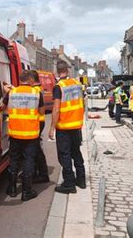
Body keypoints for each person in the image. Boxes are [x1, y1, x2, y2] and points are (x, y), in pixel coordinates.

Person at [2, 70, 44, 201]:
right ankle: (27, 191)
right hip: (31, 134)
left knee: (14, 160)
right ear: (31, 80)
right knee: (28, 161)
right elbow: (41, 111)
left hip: (15, 133)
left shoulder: (12, 92)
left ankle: (12, 188)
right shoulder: (37, 93)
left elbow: (3, 108)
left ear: (20, 79)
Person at [49, 61, 86, 194]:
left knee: (65, 155)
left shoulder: (59, 87)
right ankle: (81, 179)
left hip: (64, 127)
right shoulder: (77, 84)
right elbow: (83, 102)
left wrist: (52, 127)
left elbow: (56, 109)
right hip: (76, 125)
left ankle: (69, 183)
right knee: (76, 152)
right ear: (68, 70)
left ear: (57, 72)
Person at [29, 70, 49, 183]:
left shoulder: (35, 90)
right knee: (36, 148)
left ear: (32, 79)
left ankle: (42, 174)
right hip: (39, 121)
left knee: (36, 149)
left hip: (37, 121)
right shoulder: (38, 89)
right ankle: (38, 172)